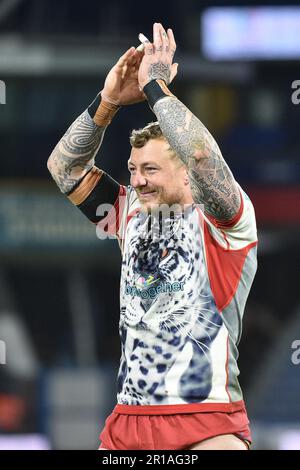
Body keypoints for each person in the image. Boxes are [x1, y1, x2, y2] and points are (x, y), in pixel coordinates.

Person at [47, 23, 258, 450]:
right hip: (127, 422)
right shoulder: (128, 214)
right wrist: (106, 104)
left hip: (207, 422)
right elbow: (63, 169)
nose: (137, 181)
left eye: (151, 170)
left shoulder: (226, 219)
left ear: (185, 174)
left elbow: (199, 153)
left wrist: (156, 87)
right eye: (133, 170)